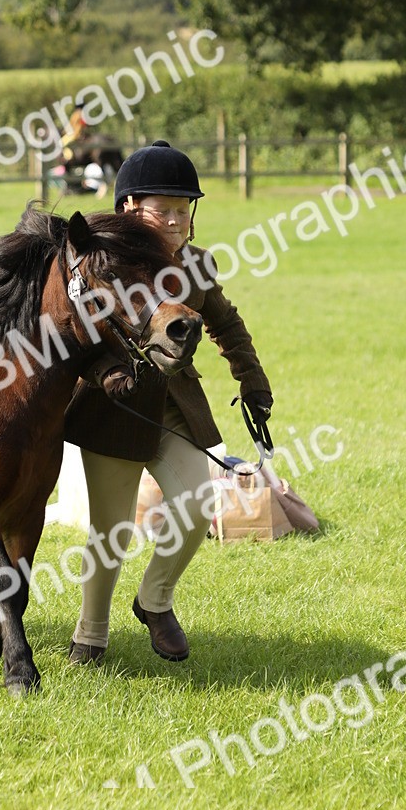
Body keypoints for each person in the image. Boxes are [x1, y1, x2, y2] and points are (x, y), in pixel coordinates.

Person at [63, 140, 274, 665]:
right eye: (166, 209)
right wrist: (103, 372)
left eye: (185, 209)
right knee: (110, 533)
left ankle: (154, 601)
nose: (178, 219)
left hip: (175, 408)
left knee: (200, 506)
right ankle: (90, 635)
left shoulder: (197, 265)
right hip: (112, 408)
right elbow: (70, 333)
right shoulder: (100, 261)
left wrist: (253, 381)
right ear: (130, 207)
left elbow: (226, 323)